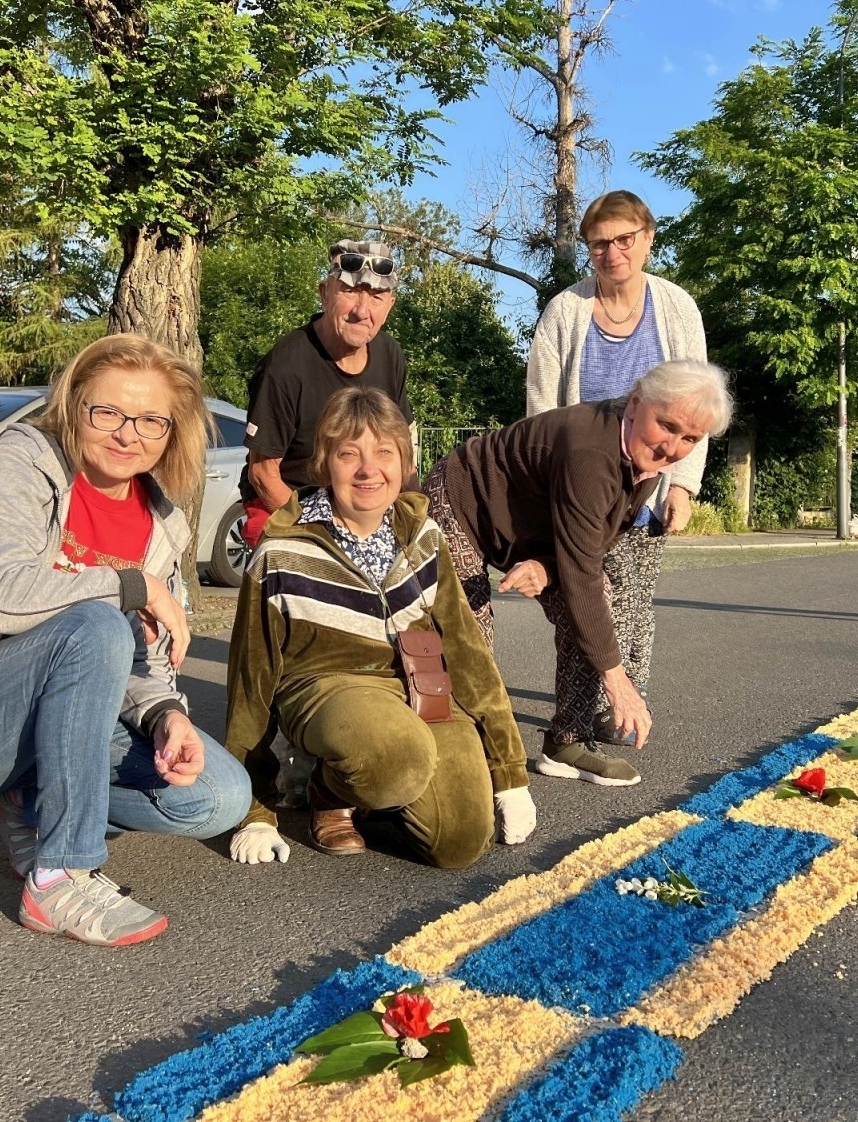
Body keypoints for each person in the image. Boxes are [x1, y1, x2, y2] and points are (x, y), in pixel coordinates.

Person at [0, 335, 251, 947]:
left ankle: (25, 802)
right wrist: (132, 585)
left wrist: (165, 715)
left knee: (218, 798)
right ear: (74, 408)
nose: (128, 434)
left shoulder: (163, 524)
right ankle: (59, 876)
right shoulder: (21, 460)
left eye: (151, 420)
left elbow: (144, 655)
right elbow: (2, 597)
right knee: (95, 622)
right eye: (108, 412)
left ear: (171, 433)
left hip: (65, 706)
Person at [223, 387, 536, 868]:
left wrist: (510, 773)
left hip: (421, 690)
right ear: (325, 463)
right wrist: (254, 809)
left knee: (462, 841)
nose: (369, 470)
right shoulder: (282, 549)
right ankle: (331, 788)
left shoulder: (425, 537)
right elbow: (251, 678)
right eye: (349, 454)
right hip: (328, 689)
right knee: (396, 755)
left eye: (384, 452)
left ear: (404, 462)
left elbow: (468, 654)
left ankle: (375, 789)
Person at [422, 359, 732, 787]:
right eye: (667, 425)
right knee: (468, 633)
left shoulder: (642, 455)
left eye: (690, 439)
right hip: (462, 501)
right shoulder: (592, 451)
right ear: (636, 401)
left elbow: (597, 545)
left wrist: (546, 568)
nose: (671, 447)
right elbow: (582, 573)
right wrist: (618, 682)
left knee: (596, 599)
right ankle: (460, 750)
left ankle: (566, 743)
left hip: (526, 525)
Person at [525, 191, 709, 747]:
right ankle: (587, 707)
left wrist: (684, 485)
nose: (612, 253)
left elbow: (697, 402)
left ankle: (626, 701)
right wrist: (544, 479)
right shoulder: (565, 310)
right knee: (586, 591)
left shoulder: (676, 307)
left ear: (647, 238)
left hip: (652, 476)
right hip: (582, 478)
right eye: (599, 244)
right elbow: (542, 402)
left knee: (634, 596)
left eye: (624, 239)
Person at [239, 239, 413, 547]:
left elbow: (404, 456)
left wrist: (412, 521)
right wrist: (327, 541)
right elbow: (263, 474)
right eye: (350, 291)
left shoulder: (391, 354)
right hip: (289, 501)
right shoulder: (286, 364)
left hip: (358, 498)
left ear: (390, 306)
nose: (362, 311)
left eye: (376, 297)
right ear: (324, 294)